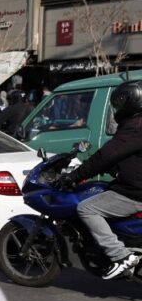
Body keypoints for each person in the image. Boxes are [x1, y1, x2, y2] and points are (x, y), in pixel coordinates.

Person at [58, 80, 142, 279]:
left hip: (135, 192)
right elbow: (126, 157)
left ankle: (120, 255)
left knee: (86, 208)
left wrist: (74, 177)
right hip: (134, 184)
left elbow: (106, 155)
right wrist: (116, 169)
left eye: (120, 102)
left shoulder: (134, 127)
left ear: (131, 101)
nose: (117, 108)